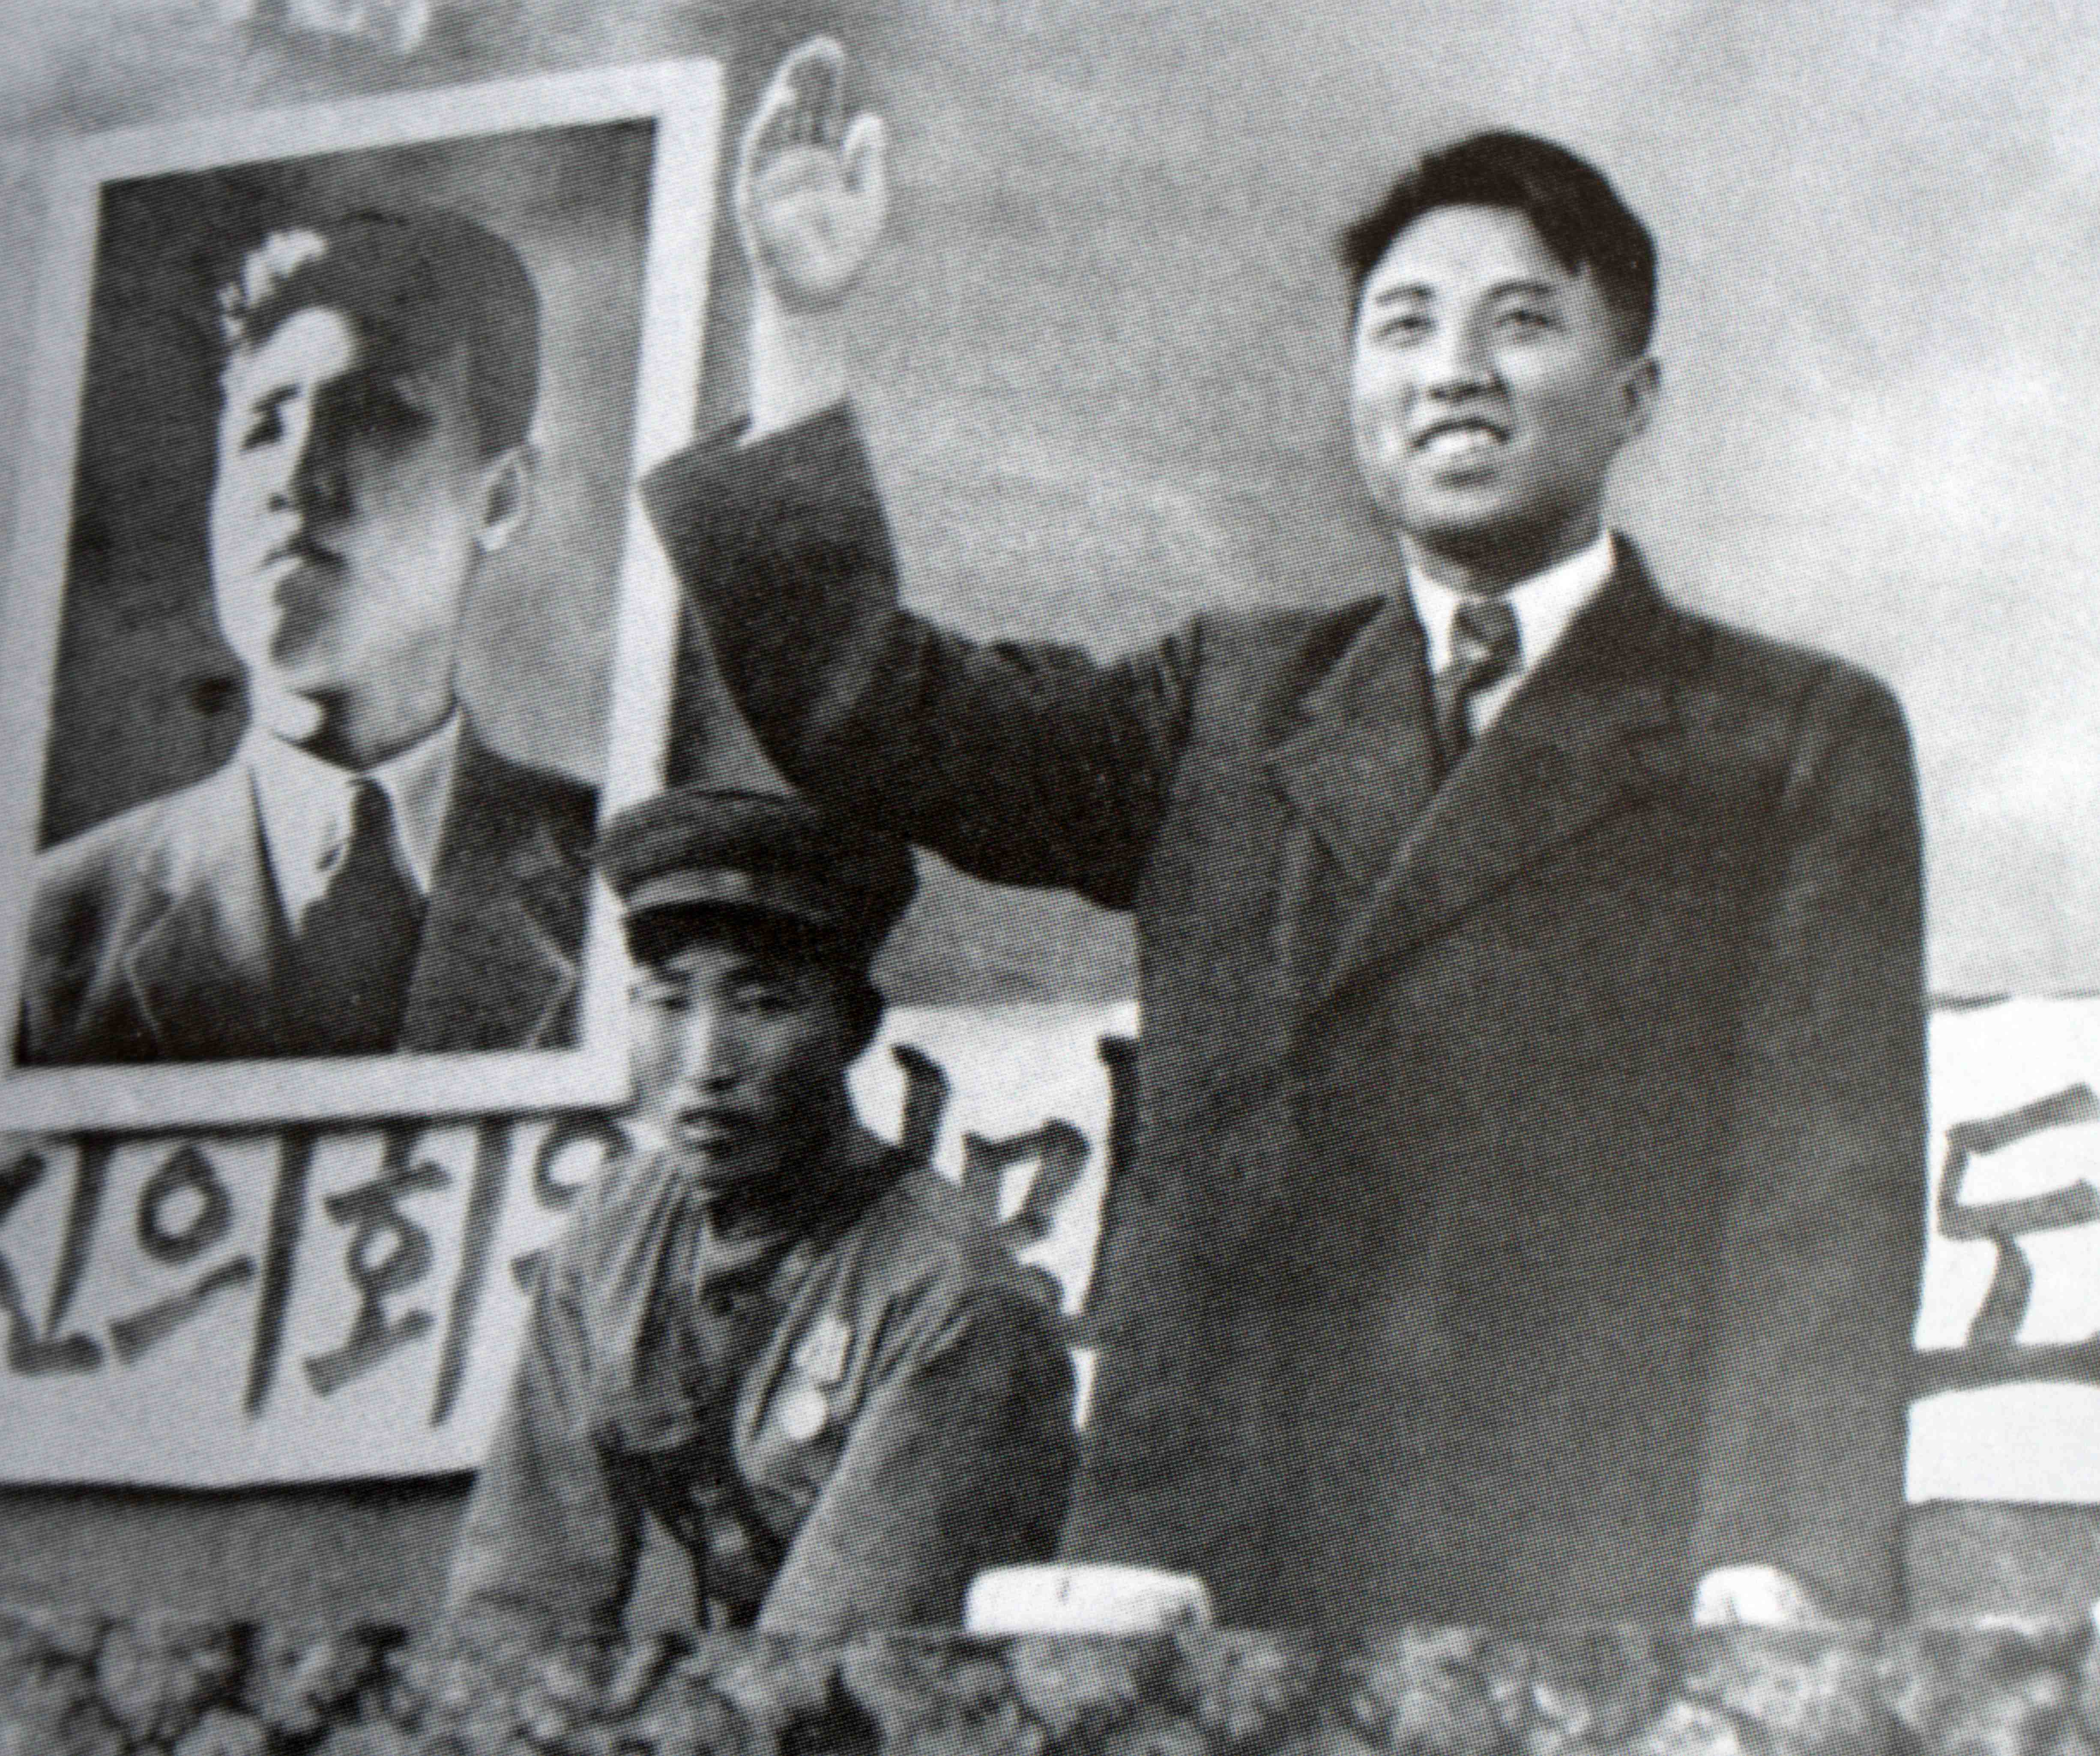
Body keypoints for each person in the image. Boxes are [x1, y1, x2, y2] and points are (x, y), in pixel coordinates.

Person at [639, 41, 1927, 1629]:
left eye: (1522, 322)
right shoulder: (1225, 705)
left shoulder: (1788, 736)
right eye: (1404, 327)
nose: (1454, 368)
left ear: (1635, 394)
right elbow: (870, 709)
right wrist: (802, 321)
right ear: (1354, 399)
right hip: (1216, 1579)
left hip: (1595, 1576)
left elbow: (1827, 1191)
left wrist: (1784, 1567)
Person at [442, 786, 1079, 1644]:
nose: (705, 1063)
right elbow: (521, 1599)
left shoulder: (953, 1298)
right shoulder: (616, 1228)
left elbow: (835, 1666)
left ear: (851, 1030)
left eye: (762, 1004)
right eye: (668, 1001)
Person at [18, 207, 596, 1065]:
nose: (293, 478)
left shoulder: (612, 883)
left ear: (502, 498)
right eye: (263, 427)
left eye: (373, 415)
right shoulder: (50, 921)